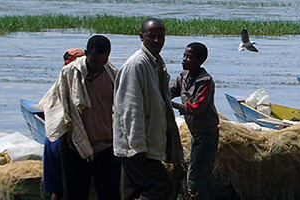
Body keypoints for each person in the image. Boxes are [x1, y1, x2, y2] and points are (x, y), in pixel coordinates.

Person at [39, 36, 120, 199]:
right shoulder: (70, 73)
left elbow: (120, 109)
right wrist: (66, 136)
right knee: (74, 195)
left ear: (108, 57)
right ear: (87, 53)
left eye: (101, 63)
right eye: (93, 62)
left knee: (109, 195)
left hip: (105, 146)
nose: (96, 67)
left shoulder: (113, 75)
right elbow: (58, 107)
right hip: (74, 147)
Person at [113, 18, 183, 200]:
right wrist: (137, 146)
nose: (157, 41)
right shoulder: (136, 65)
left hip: (146, 143)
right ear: (141, 37)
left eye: (161, 37)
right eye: (152, 36)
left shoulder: (156, 63)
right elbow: (130, 108)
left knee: (131, 191)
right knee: (162, 186)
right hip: (136, 146)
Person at [169, 42, 219, 199]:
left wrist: (169, 103)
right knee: (196, 171)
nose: (184, 59)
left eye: (189, 57)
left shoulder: (205, 81)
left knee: (197, 177)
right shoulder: (183, 77)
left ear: (200, 61)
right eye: (184, 56)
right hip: (195, 133)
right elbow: (169, 92)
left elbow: (196, 108)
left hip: (206, 135)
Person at [40, 48, 85, 200]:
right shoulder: (74, 78)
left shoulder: (64, 78)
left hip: (54, 139)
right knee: (63, 189)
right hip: (62, 140)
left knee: (57, 190)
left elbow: (49, 106)